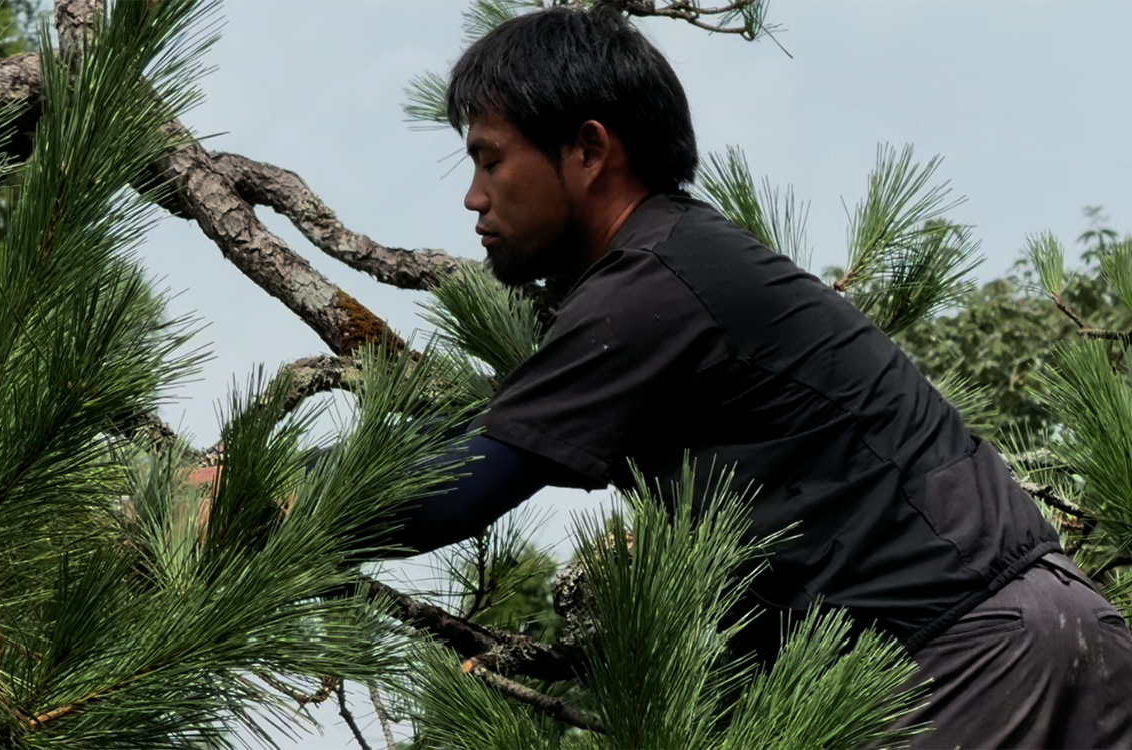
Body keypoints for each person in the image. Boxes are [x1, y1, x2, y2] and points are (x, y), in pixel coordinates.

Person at [383, 6, 1132, 747]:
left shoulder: (652, 284)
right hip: (1044, 629)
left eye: (490, 159)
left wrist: (287, 498)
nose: (475, 197)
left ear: (588, 150)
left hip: (971, 662)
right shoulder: (688, 260)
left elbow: (455, 495)